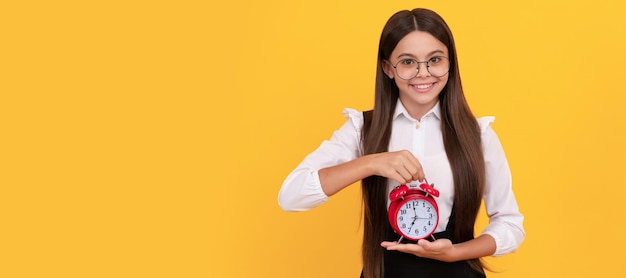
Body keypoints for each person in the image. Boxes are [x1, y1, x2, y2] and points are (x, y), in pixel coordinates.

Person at [278, 8, 525, 278]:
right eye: (408, 62)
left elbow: (511, 225)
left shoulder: (477, 135)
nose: (423, 73)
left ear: (450, 63)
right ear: (388, 68)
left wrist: (455, 252)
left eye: (435, 60)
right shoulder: (363, 129)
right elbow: (291, 196)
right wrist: (372, 162)